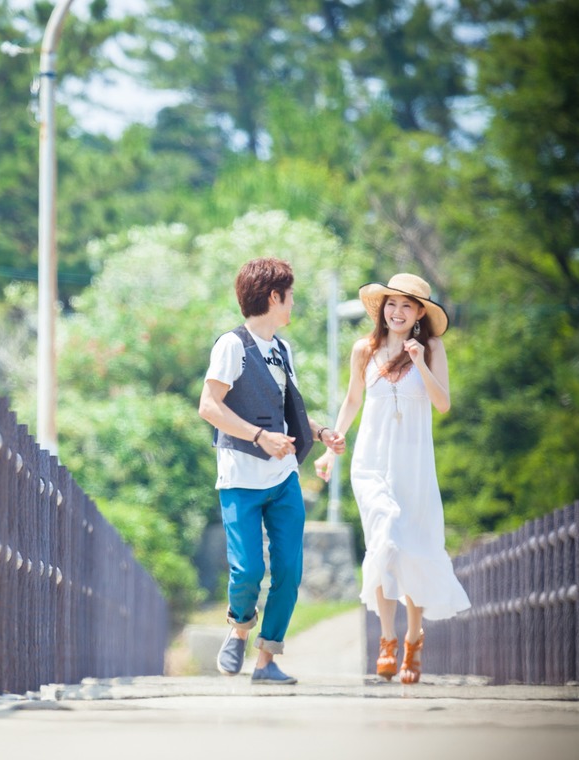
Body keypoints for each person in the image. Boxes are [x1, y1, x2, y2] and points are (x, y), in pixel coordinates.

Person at [315, 273, 470, 684]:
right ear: (381, 309)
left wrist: (419, 361)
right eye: (391, 304)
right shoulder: (364, 350)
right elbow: (352, 401)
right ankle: (387, 639)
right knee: (384, 539)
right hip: (371, 462)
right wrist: (332, 449)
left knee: (414, 546)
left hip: (414, 465)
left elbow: (442, 405)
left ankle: (414, 638)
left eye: (406, 305)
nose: (397, 312)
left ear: (420, 313)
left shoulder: (432, 348)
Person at [198, 258, 345, 685]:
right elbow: (209, 407)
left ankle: (266, 661)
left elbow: (284, 412)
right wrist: (260, 437)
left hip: (282, 480)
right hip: (240, 479)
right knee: (247, 571)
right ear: (273, 297)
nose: (293, 302)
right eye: (291, 295)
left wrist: (319, 432)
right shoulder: (231, 345)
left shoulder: (283, 349)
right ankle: (240, 628)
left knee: (289, 572)